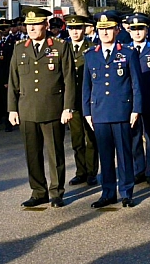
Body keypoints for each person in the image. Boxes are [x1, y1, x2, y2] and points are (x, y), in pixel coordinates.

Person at [7, 7, 76, 208]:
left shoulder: (60, 46)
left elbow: (69, 80)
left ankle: (56, 192)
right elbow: (13, 80)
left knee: (55, 153)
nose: (32, 28)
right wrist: (12, 108)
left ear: (45, 25)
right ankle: (38, 192)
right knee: (32, 153)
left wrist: (68, 107)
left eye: (36, 24)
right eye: (29, 25)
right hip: (27, 109)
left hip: (53, 108)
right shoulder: (20, 48)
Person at [83, 11, 142, 208]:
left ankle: (126, 192)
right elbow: (86, 86)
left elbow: (136, 84)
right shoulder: (90, 56)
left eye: (109, 29)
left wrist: (136, 109)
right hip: (99, 112)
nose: (105, 33)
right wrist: (87, 112)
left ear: (116, 30)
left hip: (122, 111)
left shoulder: (127, 53)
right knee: (105, 155)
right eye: (102, 29)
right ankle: (108, 192)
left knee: (124, 155)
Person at [64, 14, 99, 187]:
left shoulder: (92, 48)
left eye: (78, 28)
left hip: (90, 100)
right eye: (72, 29)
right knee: (77, 139)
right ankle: (81, 172)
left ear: (84, 30)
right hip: (73, 101)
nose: (75, 32)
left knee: (91, 138)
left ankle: (92, 172)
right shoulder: (64, 48)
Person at [127, 14, 150, 186]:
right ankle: (138, 169)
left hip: (149, 100)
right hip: (132, 103)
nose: (137, 32)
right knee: (135, 137)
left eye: (141, 28)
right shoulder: (125, 50)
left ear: (147, 30)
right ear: (129, 31)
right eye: (134, 29)